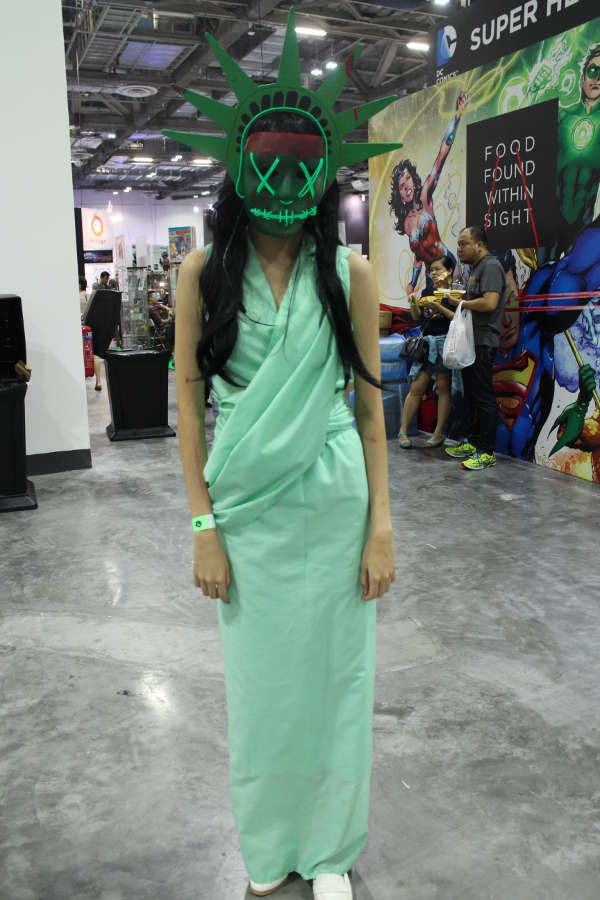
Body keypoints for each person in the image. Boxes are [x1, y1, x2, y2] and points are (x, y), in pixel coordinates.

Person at [168, 10, 399, 899]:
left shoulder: (349, 274)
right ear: (240, 165)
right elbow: (190, 410)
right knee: (264, 693)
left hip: (335, 502)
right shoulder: (202, 273)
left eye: (303, 166)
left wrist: (381, 525)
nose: (286, 179)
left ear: (323, 173)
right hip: (246, 516)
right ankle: (271, 851)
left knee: (339, 683)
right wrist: (202, 526)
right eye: (271, 162)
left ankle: (331, 850)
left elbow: (372, 415)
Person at [388, 91, 468, 297]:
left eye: (408, 179)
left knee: (454, 308)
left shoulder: (425, 196)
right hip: (431, 274)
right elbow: (418, 256)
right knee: (431, 310)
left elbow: (442, 154)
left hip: (448, 267)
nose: (406, 185)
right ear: (399, 194)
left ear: (413, 181)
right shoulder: (406, 222)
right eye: (401, 185)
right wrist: (412, 283)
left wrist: (457, 114)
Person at [445, 226, 506, 470]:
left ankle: (487, 452)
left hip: (483, 341)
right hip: (472, 341)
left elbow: (490, 302)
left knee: (483, 397)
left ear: (479, 245)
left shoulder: (490, 266)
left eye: (464, 244)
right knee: (472, 394)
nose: (459, 249)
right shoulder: (477, 268)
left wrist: (461, 302)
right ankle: (474, 443)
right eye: (458, 244)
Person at [397, 255, 455, 448]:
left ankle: (438, 433)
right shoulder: (428, 292)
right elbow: (417, 317)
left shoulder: (455, 293)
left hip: (445, 344)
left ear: (449, 270)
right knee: (416, 387)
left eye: (438, 269)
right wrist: (414, 303)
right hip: (427, 345)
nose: (434, 273)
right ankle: (403, 430)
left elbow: (457, 317)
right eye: (432, 270)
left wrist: (438, 306)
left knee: (444, 387)